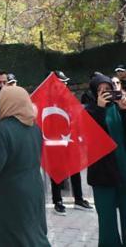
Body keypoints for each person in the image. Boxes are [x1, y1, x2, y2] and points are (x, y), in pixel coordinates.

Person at [0, 86, 51, 247]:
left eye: (2, 100)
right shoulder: (34, 128)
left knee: (11, 238)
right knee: (31, 233)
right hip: (33, 190)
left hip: (9, 195)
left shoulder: (2, 130)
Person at [84, 74, 126, 246]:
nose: (105, 94)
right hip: (102, 174)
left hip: (123, 169)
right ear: (94, 93)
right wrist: (100, 109)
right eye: (100, 91)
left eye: (108, 90)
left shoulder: (119, 108)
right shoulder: (89, 111)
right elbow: (90, 137)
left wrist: (124, 110)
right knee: (107, 218)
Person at [48, 71, 93, 215]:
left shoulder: (69, 98)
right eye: (62, 82)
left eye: (65, 82)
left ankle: (78, 199)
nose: (65, 85)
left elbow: (76, 115)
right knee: (57, 171)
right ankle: (58, 201)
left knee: (75, 168)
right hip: (54, 141)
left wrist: (80, 135)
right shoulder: (47, 99)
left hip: (70, 138)